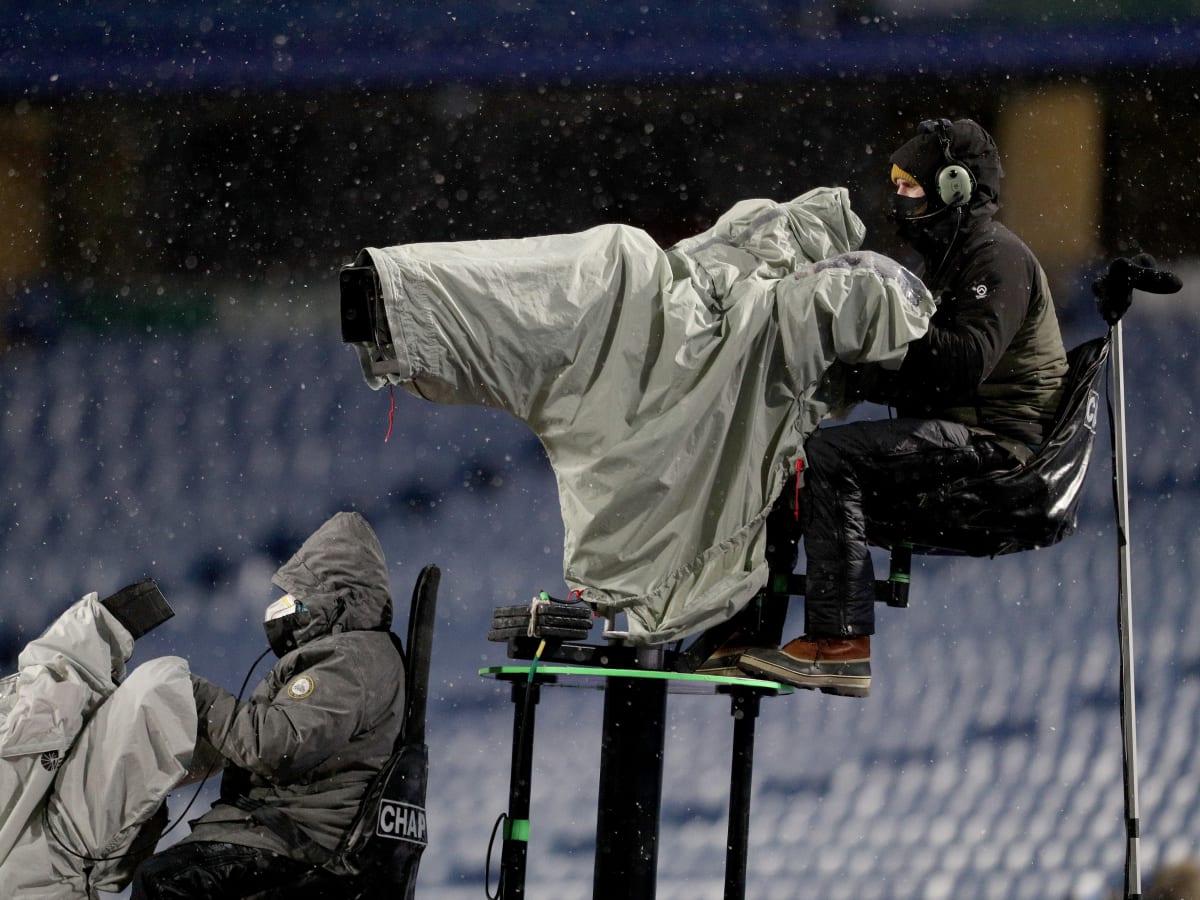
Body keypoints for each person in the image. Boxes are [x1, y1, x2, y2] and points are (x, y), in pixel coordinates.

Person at [730, 118, 1069, 698]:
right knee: (788, 466)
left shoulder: (996, 258)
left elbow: (961, 367)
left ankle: (839, 645)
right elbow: (911, 373)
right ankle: (742, 639)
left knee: (831, 458)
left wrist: (884, 328)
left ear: (957, 186)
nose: (900, 197)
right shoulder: (944, 260)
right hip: (959, 432)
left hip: (1001, 448)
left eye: (913, 185)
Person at [132, 510, 406, 898]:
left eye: (303, 595)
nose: (291, 605)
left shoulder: (349, 659)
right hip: (283, 826)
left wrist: (198, 696)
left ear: (338, 599)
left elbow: (275, 746)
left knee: (163, 881)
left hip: (295, 836)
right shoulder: (351, 654)